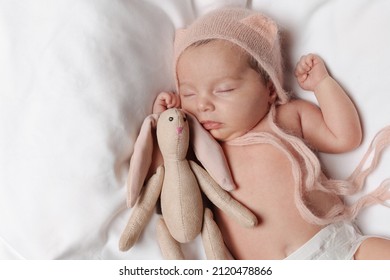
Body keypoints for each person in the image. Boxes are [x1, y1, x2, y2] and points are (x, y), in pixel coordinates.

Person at [152, 7, 390, 259]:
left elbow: (344, 137)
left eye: (223, 90)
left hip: (339, 248)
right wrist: (162, 126)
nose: (203, 105)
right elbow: (166, 181)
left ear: (269, 89)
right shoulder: (199, 147)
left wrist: (322, 84)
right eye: (189, 94)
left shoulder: (286, 117)